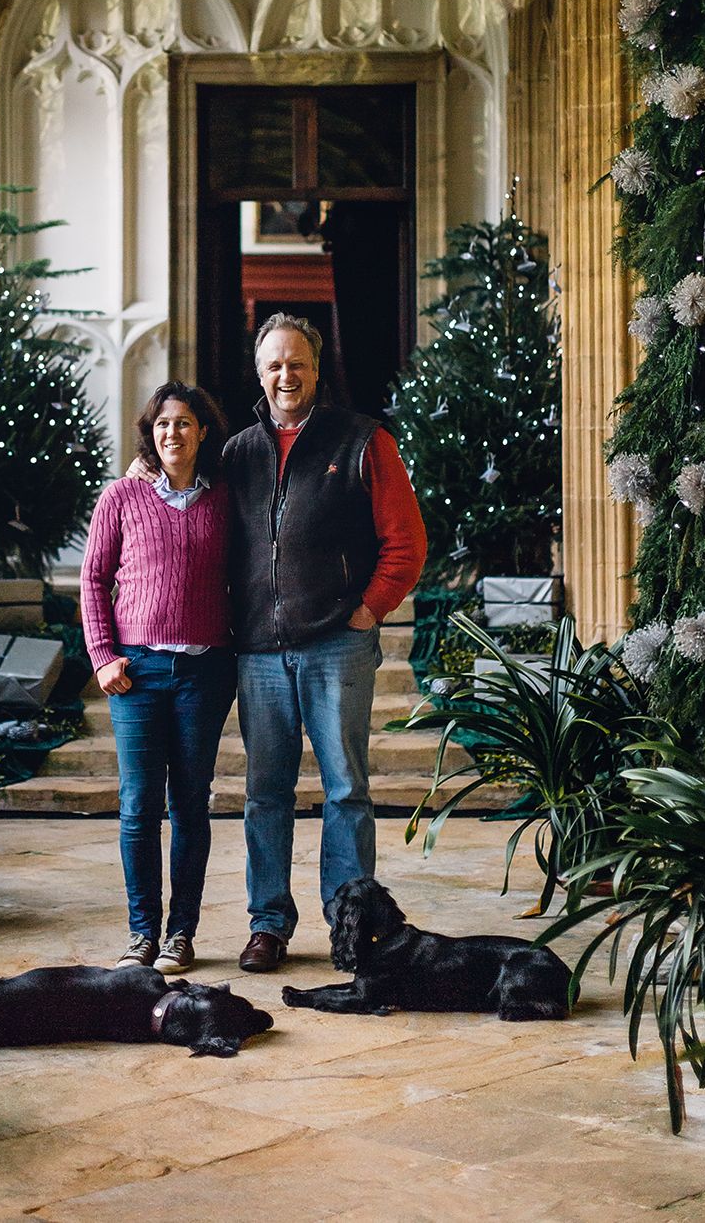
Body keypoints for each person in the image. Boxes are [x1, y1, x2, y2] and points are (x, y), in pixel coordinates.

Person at [227, 313, 427, 973]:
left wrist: (369, 611)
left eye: (298, 363)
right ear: (260, 374)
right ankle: (267, 924)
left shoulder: (365, 441)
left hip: (337, 646)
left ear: (318, 368)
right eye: (274, 365)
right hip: (259, 650)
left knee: (345, 790)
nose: (287, 375)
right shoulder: (237, 454)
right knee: (266, 794)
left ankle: (351, 925)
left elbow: (407, 543)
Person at [80, 381, 235, 975]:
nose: (174, 432)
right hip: (137, 673)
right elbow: (93, 581)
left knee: (190, 804)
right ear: (152, 433)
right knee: (139, 805)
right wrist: (102, 654)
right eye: (164, 423)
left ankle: (182, 934)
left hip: (205, 671)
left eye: (186, 423)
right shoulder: (120, 498)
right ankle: (142, 933)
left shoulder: (224, 500)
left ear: (202, 433)